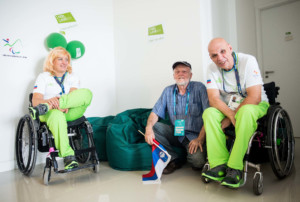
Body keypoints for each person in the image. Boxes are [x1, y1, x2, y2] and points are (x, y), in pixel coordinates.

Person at [202, 38, 269, 188]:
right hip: (229, 108)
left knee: (245, 111)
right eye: (214, 55)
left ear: (230, 48)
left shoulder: (248, 61)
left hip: (254, 104)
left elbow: (254, 97)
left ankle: (235, 167)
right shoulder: (211, 69)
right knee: (209, 113)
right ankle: (219, 164)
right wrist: (230, 115)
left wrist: (232, 115)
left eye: (222, 51)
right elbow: (213, 99)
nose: (219, 58)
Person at [29, 47, 93, 170]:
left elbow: (74, 97)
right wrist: (49, 103)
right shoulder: (44, 77)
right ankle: (68, 157)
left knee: (87, 93)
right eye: (60, 59)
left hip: (67, 110)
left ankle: (52, 105)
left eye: (66, 59)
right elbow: (35, 101)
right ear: (52, 61)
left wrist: (62, 104)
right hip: (48, 112)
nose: (64, 62)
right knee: (56, 115)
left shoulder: (72, 76)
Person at [145, 61, 209, 174]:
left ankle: (188, 154)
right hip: (176, 133)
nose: (181, 74)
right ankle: (174, 159)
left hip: (194, 136)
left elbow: (208, 115)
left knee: (198, 163)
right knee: (154, 127)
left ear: (191, 75)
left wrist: (200, 138)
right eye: (177, 72)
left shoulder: (200, 88)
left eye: (184, 71)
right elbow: (155, 112)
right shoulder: (168, 91)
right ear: (174, 75)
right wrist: (148, 128)